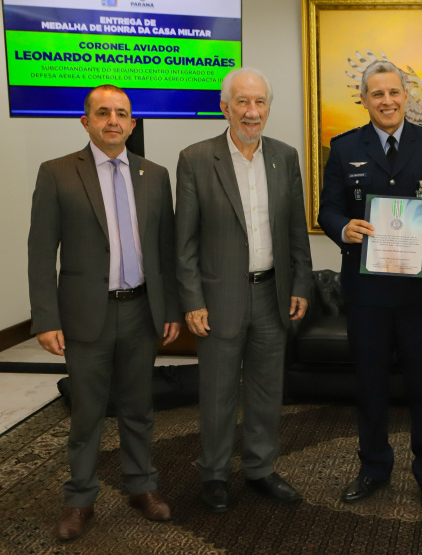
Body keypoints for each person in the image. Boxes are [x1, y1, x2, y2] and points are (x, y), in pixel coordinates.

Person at [28, 84, 181, 541]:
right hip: (84, 315)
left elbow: (165, 249)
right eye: (103, 112)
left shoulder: (155, 175)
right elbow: (41, 252)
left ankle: (142, 486)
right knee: (87, 413)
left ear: (132, 124)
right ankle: (79, 498)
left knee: (138, 407)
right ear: (86, 121)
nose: (113, 120)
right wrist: (46, 317)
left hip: (141, 311)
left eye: (121, 113)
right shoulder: (56, 173)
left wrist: (171, 308)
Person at [318, 60, 422, 512]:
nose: (387, 101)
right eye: (377, 94)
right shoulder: (344, 148)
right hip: (367, 292)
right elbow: (327, 210)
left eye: (394, 92)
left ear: (406, 96)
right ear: (364, 99)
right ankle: (374, 468)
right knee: (371, 385)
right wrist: (344, 227)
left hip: (420, 292)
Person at [175, 67, 313, 512]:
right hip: (219, 299)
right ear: (225, 107)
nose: (252, 111)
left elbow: (295, 231)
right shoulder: (196, 159)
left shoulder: (285, 157)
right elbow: (185, 241)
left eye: (259, 102)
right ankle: (214, 474)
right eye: (242, 102)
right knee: (217, 392)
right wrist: (192, 300)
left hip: (273, 294)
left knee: (266, 390)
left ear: (268, 108)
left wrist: (301, 283)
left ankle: (260, 468)